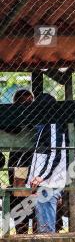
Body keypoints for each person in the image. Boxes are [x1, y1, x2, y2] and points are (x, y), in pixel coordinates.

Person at [27, 94, 66, 234]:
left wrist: (41, 176)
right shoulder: (45, 125)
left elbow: (55, 154)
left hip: (48, 182)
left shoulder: (53, 124)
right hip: (45, 182)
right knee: (43, 225)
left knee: (46, 229)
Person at [8, 89, 35, 234]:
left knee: (34, 193)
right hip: (19, 160)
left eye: (30, 103)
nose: (27, 107)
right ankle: (21, 230)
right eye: (24, 103)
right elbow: (13, 128)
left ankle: (37, 229)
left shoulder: (36, 116)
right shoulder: (11, 116)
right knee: (19, 193)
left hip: (34, 160)